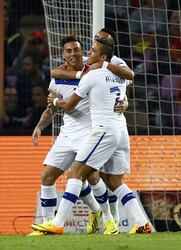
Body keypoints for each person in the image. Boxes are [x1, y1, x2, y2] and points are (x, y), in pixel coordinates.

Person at [31, 30, 152, 235]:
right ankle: (142, 223)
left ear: (103, 55)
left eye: (91, 49)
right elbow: (128, 78)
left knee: (79, 173)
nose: (87, 52)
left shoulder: (93, 74)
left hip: (101, 131)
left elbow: (68, 104)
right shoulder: (114, 71)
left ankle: (61, 223)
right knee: (114, 182)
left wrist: (55, 101)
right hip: (118, 130)